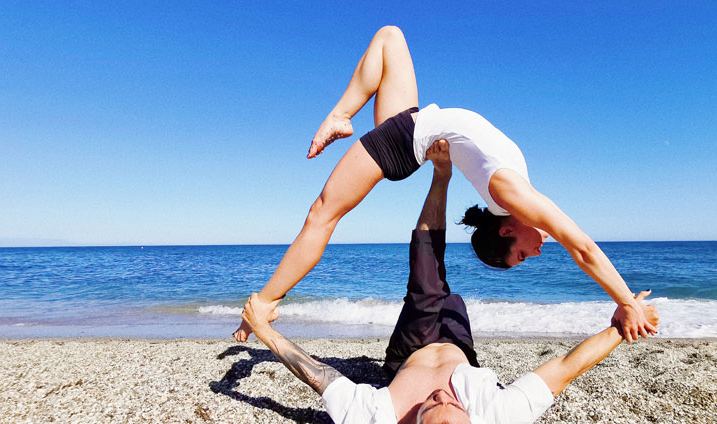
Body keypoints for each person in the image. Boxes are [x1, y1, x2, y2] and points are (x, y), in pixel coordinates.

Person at [239, 150, 660, 424]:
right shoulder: (499, 422)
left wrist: (264, 330)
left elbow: (319, 377)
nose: (442, 397)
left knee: (426, 271)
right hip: (459, 343)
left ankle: (440, 177)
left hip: (410, 347)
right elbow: (565, 369)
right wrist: (621, 328)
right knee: (450, 296)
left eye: (430, 407)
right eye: (453, 407)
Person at [232, 25, 655, 346]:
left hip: (405, 143)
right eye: (526, 255)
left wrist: (626, 303)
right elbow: (581, 245)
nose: (538, 251)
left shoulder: (511, 197)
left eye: (524, 254)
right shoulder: (513, 195)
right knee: (390, 37)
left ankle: (266, 301)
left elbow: (579, 246)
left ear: (507, 229)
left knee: (323, 214)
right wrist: (626, 301)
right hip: (413, 125)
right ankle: (341, 114)